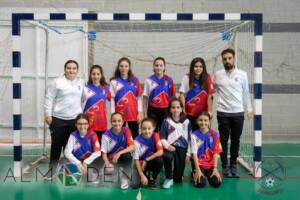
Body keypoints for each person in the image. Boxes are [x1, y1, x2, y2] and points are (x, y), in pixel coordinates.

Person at [214, 48, 253, 177]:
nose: (227, 61)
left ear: (234, 59)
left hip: (238, 113)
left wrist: (249, 109)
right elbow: (214, 90)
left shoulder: (242, 74)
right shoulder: (218, 74)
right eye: (225, 59)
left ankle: (233, 165)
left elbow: (246, 92)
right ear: (222, 60)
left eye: (229, 58)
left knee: (236, 140)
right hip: (223, 113)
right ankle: (224, 166)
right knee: (223, 140)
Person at [44, 60, 84, 179]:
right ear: (65, 69)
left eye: (74, 68)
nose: (71, 70)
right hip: (58, 119)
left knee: (70, 148)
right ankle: (51, 171)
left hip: (74, 120)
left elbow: (84, 99)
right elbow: (49, 98)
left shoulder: (81, 82)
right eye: (69, 68)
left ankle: (69, 171)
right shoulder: (57, 82)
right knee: (56, 146)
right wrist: (48, 114)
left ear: (77, 70)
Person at [159, 97, 191, 189]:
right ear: (170, 109)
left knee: (178, 180)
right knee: (167, 156)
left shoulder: (187, 121)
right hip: (170, 147)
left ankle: (177, 175)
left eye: (178, 107)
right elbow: (162, 137)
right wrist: (167, 146)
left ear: (181, 108)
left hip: (183, 148)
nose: (175, 109)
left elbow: (190, 139)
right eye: (173, 107)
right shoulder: (166, 121)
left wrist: (188, 153)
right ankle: (168, 177)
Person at [110, 57, 142, 138]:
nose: (124, 68)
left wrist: (139, 112)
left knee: (134, 134)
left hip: (133, 113)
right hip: (119, 113)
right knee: (120, 134)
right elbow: (112, 99)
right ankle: (121, 149)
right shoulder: (113, 81)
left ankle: (134, 150)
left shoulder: (135, 80)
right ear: (118, 67)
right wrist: (113, 113)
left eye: (126, 66)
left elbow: (139, 97)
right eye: (121, 66)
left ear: (129, 67)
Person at [101, 112, 135, 189]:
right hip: (112, 160)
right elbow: (104, 153)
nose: (117, 123)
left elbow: (132, 146)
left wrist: (119, 153)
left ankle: (124, 177)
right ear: (111, 122)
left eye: (119, 121)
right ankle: (115, 171)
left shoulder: (126, 130)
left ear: (123, 122)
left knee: (128, 156)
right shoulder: (105, 135)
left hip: (122, 157)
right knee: (107, 181)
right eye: (114, 121)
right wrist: (107, 164)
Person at [179, 57, 214, 131]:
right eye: (196, 66)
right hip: (189, 113)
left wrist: (210, 111)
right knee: (189, 136)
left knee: (202, 136)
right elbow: (182, 94)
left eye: (201, 67)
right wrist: (183, 110)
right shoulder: (187, 77)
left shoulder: (208, 77)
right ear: (192, 67)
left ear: (203, 68)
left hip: (202, 114)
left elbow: (210, 95)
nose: (198, 68)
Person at [143, 57, 176, 131]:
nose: (159, 67)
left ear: (164, 67)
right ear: (153, 67)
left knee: (164, 132)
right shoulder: (148, 80)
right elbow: (145, 98)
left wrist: (173, 112)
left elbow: (173, 98)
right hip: (152, 111)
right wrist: (145, 114)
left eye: (161, 65)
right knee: (153, 132)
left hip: (166, 111)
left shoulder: (169, 80)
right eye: (156, 65)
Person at [191, 112, 222, 188]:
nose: (203, 122)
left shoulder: (215, 134)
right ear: (197, 121)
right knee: (200, 184)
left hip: (211, 165)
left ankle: (207, 174)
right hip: (199, 164)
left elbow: (216, 152)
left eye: (205, 120)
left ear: (209, 121)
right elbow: (194, 153)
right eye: (200, 120)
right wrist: (198, 169)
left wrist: (215, 169)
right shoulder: (194, 135)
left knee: (216, 183)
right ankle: (194, 172)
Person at [131, 118, 164, 189]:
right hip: (139, 164)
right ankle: (145, 174)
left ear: (153, 128)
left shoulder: (156, 135)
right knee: (134, 185)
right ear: (141, 129)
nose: (147, 131)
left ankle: (152, 178)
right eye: (144, 129)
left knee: (159, 160)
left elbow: (161, 152)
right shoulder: (136, 141)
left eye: (149, 128)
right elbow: (136, 160)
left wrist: (146, 160)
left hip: (149, 162)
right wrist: (142, 175)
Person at [83, 64, 111, 141]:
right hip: (88, 122)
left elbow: (113, 101)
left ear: (101, 75)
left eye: (98, 74)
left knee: (100, 146)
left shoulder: (106, 87)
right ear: (90, 75)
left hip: (101, 122)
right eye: (93, 74)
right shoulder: (85, 87)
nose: (96, 76)